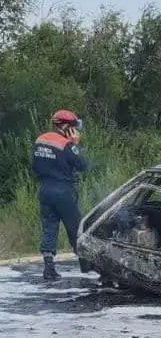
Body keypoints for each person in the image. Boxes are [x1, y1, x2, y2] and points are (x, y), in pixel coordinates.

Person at [32, 109, 89, 281]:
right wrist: (75, 144)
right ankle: (85, 264)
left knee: (49, 227)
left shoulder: (40, 139)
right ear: (66, 126)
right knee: (75, 228)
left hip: (45, 189)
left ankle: (48, 268)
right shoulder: (67, 145)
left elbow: (34, 166)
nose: (75, 131)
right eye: (73, 127)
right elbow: (83, 165)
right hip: (63, 191)